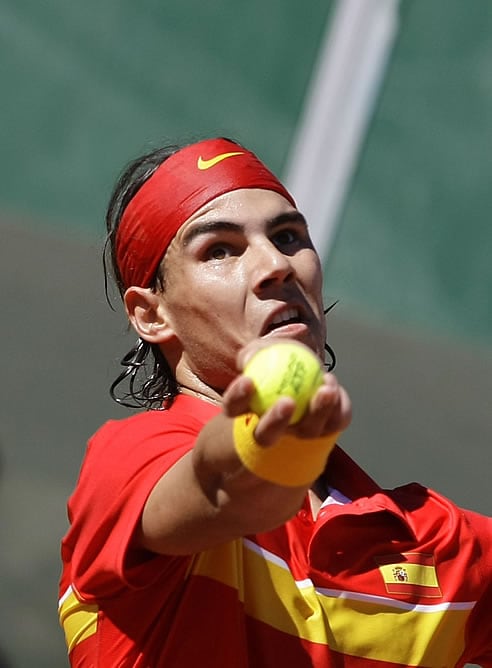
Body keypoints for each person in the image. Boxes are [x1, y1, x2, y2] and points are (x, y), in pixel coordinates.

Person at [58, 137, 492, 667]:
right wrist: (259, 449)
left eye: (288, 237)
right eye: (219, 249)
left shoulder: (437, 542)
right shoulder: (126, 461)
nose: (275, 265)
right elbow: (223, 494)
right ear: (152, 315)